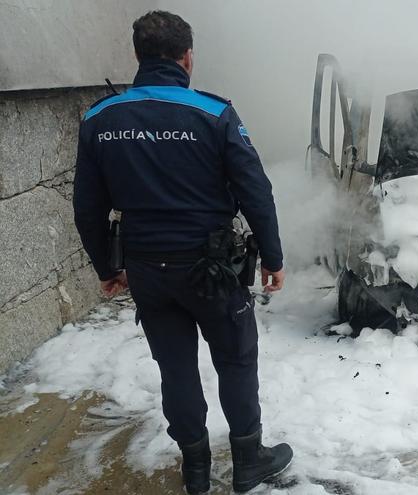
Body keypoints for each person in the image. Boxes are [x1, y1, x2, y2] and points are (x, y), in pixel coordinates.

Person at [72, 11, 292, 494]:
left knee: (174, 367)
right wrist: (273, 259)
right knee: (235, 360)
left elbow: (87, 208)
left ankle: (194, 470)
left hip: (149, 271)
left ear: (137, 56)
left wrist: (107, 269)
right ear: (187, 57)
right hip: (212, 270)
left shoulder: (100, 119)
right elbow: (256, 192)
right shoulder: (214, 114)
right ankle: (249, 460)